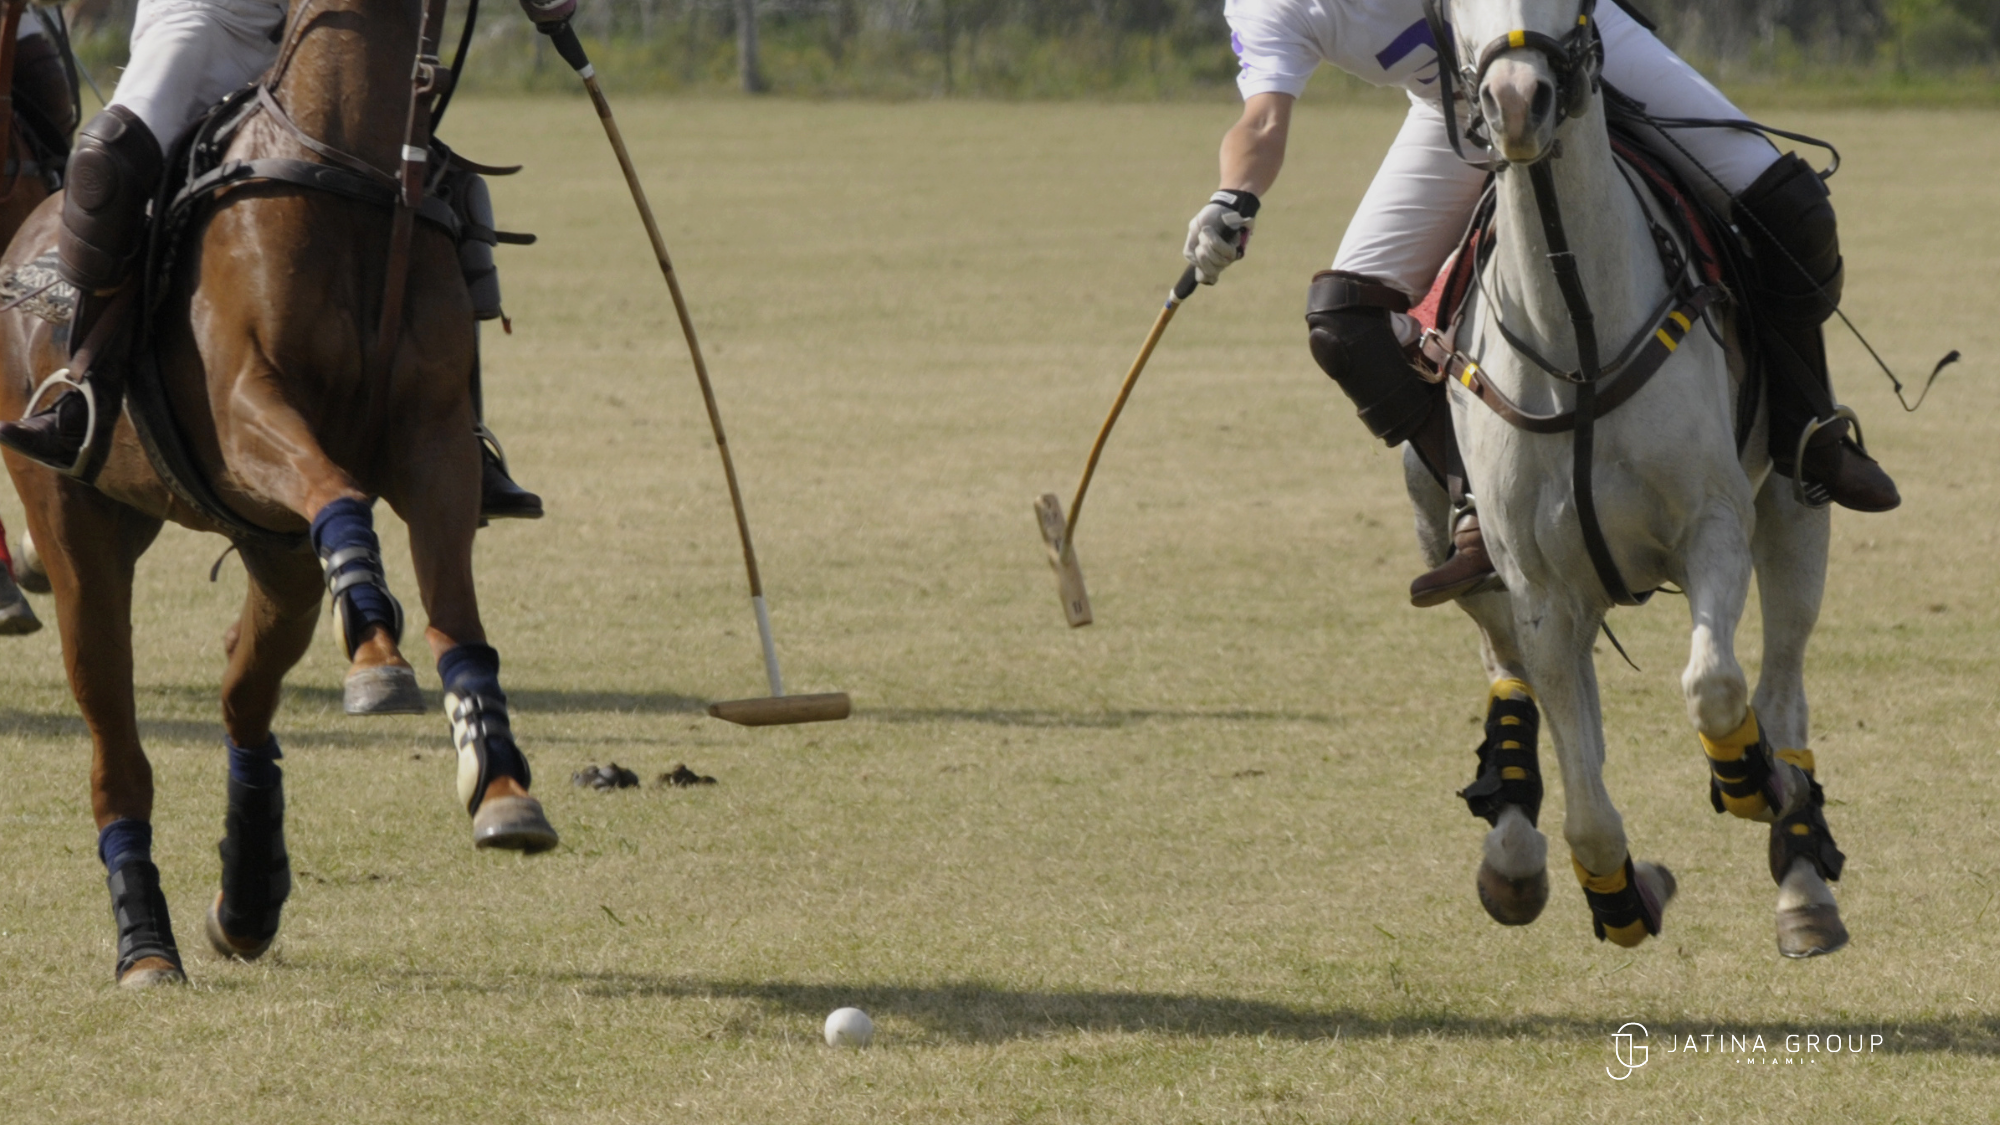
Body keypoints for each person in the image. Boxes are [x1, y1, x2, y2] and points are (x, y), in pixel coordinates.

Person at [1184, 0, 1898, 607]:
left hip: (1580, 48)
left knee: (1788, 205)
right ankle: (1479, 509)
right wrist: (1233, 198)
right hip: (1454, 107)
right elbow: (1263, 123)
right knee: (1342, 320)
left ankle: (1809, 432)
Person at [0, 0, 556, 520]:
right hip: (204, 21)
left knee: (444, 185)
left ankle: (466, 432)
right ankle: (81, 389)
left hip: (320, 26)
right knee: (108, 159)